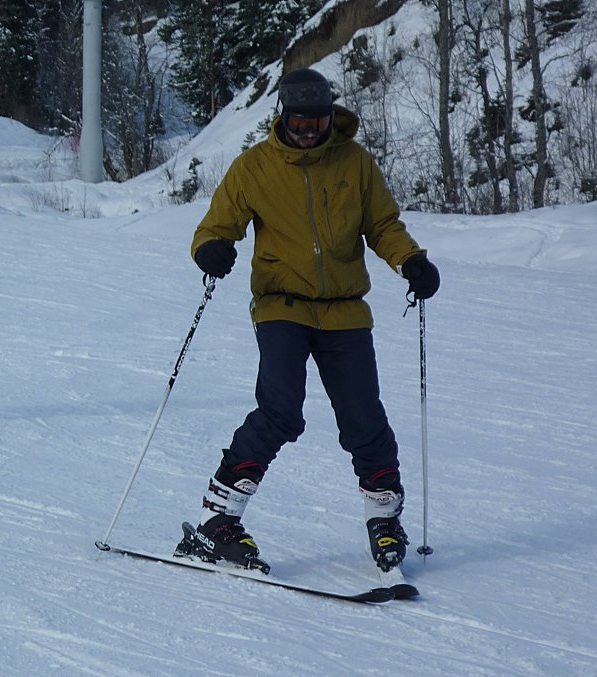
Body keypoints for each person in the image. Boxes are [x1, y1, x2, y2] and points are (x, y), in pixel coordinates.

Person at [173, 68, 441, 577]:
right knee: (280, 411)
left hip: (344, 310)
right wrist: (211, 249)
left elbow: (382, 225)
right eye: (298, 121)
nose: (307, 130)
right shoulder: (256, 167)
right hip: (281, 306)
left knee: (364, 417)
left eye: (316, 121)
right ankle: (218, 521)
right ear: (283, 116)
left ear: (329, 116)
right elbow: (217, 224)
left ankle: (384, 519)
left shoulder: (355, 163)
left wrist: (411, 261)